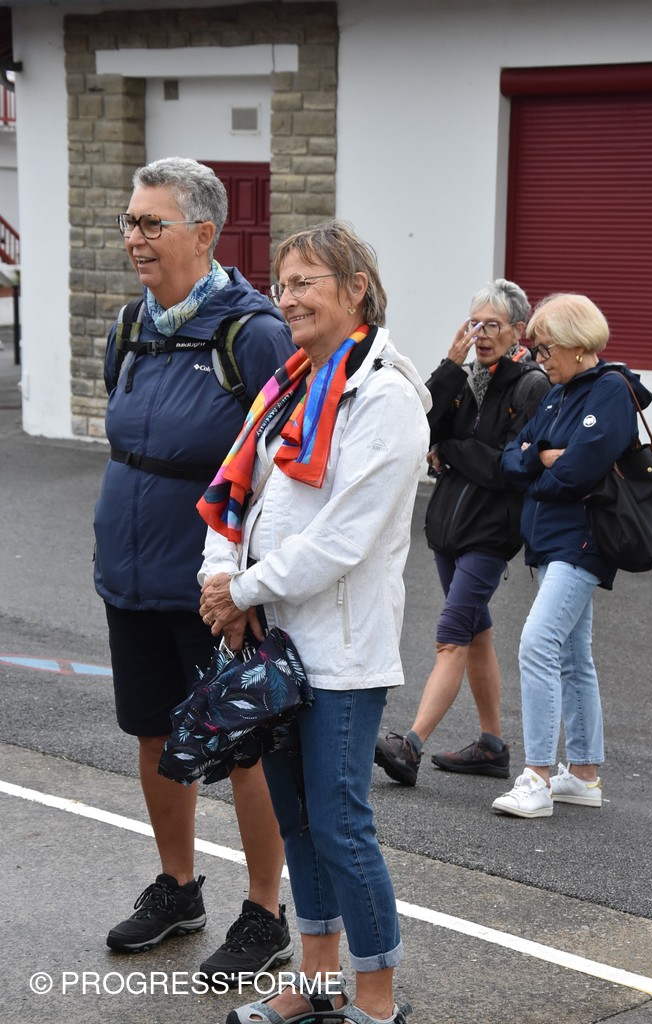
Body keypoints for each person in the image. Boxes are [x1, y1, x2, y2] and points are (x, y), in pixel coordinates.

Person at [197, 221, 430, 1024]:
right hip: (274, 642)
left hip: (341, 652)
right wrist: (218, 581)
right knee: (298, 820)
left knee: (339, 825)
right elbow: (234, 497)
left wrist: (242, 591)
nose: (285, 298)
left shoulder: (387, 399)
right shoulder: (289, 385)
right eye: (281, 283)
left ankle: (378, 1000)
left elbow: (341, 538)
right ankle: (319, 981)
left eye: (303, 283)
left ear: (356, 289)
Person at [93, 157, 297, 984]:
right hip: (132, 572)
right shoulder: (129, 326)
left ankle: (266, 913)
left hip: (217, 585)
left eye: (153, 223)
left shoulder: (253, 333)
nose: (135, 238)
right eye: (130, 222)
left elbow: (283, 469)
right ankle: (178, 888)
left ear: (205, 233)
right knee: (153, 730)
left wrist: (248, 584)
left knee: (245, 744)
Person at [374, 279, 550, 787]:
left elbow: (508, 467)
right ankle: (492, 746)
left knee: (451, 637)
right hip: (449, 529)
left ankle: (410, 744)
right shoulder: (467, 378)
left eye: (493, 325)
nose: (482, 334)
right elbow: (420, 429)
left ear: (518, 331)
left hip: (490, 534)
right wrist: (450, 368)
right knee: (476, 633)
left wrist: (449, 452)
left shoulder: (531, 386)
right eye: (475, 323)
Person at [493, 293, 652, 818]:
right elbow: (512, 457)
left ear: (577, 344)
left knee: (537, 644)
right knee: (571, 655)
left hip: (580, 543)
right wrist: (541, 458)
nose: (540, 359)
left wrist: (537, 469)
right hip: (550, 541)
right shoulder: (558, 394)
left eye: (546, 348)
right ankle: (583, 775)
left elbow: (579, 470)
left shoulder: (610, 390)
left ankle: (537, 776)